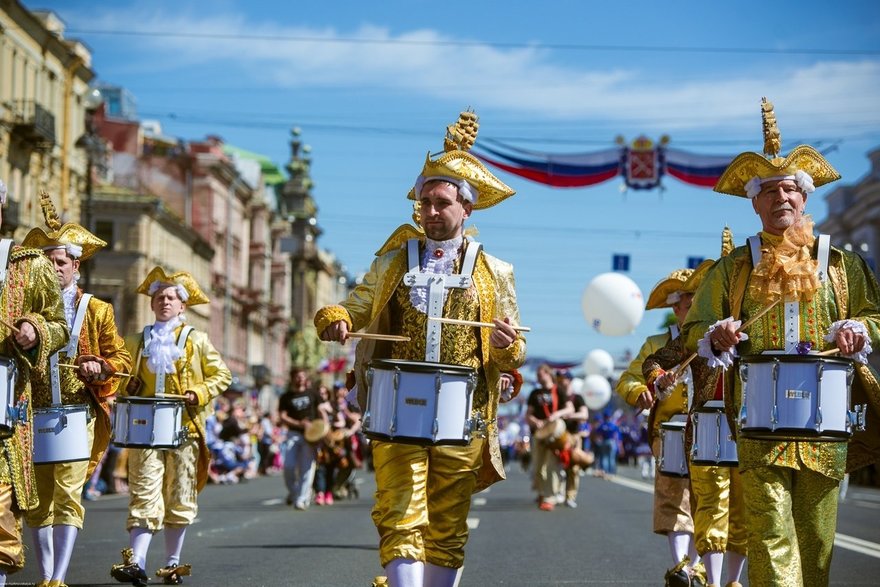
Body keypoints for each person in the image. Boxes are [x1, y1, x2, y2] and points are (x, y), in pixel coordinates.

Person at [315, 110, 525, 587]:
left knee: (447, 522)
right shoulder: (394, 259)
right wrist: (338, 318)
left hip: (463, 407)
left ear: (466, 208)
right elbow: (357, 305)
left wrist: (505, 346)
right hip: (396, 401)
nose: (430, 211)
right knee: (398, 510)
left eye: (442, 202)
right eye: (425, 201)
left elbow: (515, 349)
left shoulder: (495, 271)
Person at [683, 98, 880, 586]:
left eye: (790, 189)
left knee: (817, 541)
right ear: (755, 202)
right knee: (770, 533)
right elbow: (694, 331)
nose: (781, 199)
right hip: (758, 422)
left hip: (828, 420)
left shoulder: (840, 264)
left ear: (804, 198)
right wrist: (717, 335)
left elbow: (875, 315)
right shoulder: (733, 267)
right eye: (769, 191)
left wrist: (860, 331)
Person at [21, 192, 133, 587]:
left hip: (76, 414)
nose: (54, 269)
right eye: (47, 262)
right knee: (37, 496)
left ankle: (59, 577)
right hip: (33, 412)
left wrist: (99, 365)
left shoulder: (97, 310)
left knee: (68, 491)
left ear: (75, 266)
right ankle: (45, 572)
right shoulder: (24, 310)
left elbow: (122, 360)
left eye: (61, 262)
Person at [110, 267, 232, 586]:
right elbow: (121, 379)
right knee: (144, 492)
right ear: (152, 304)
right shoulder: (137, 340)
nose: (164, 302)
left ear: (183, 306)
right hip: (145, 430)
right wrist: (129, 386)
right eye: (159, 297)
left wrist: (198, 392)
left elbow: (222, 376)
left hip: (186, 431)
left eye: (171, 297)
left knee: (179, 496)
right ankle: (136, 561)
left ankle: (172, 563)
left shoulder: (198, 341)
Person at [643, 244, 747, 587]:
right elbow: (653, 361)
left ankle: (732, 581)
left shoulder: (754, 324)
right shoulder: (697, 334)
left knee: (742, 508)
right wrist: (659, 379)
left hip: (749, 426)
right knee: (711, 504)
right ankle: (713, 581)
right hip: (706, 426)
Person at [0, 181, 68, 587]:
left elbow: (58, 322)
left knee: (1, 496)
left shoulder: (28, 264)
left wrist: (34, 328)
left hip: (5, 397)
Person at [617, 268, 704, 587]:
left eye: (701, 301)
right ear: (676, 309)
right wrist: (639, 392)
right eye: (690, 302)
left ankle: (697, 568)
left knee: (708, 498)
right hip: (669, 432)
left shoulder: (711, 338)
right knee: (673, 497)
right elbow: (628, 378)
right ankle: (681, 566)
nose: (696, 308)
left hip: (712, 429)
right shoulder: (657, 343)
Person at [526, 364, 574, 511]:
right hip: (539, 434)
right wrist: (536, 421)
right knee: (538, 468)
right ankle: (541, 492)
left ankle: (549, 497)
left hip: (554, 434)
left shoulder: (558, 390)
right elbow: (528, 415)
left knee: (552, 466)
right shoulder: (535, 393)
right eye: (537, 376)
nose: (538, 378)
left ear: (548, 374)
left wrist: (556, 415)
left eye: (541, 375)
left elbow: (570, 408)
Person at [278, 367, 322, 509]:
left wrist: (322, 430)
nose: (300, 378)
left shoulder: (313, 394)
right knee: (288, 467)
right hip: (293, 434)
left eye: (302, 376)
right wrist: (299, 423)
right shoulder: (286, 397)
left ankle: (302, 499)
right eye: (297, 376)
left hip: (310, 436)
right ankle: (294, 492)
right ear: (292, 378)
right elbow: (283, 416)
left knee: (307, 468)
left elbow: (322, 412)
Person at [559, 370, 588, 508]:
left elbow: (584, 414)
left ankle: (570, 496)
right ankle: (557, 492)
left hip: (574, 436)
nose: (560, 380)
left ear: (569, 380)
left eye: (563, 378)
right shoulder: (556, 396)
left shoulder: (577, 398)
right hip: (559, 436)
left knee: (573, 467)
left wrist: (569, 415)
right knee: (558, 465)